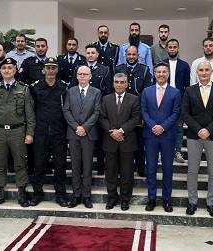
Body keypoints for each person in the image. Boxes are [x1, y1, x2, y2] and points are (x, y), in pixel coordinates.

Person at [0, 58, 35, 208]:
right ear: (0, 71)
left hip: (18, 131)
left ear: (15, 70)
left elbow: (30, 115)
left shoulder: (24, 89)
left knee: (20, 163)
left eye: (10, 68)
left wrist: (29, 133)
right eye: (4, 68)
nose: (6, 70)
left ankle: (22, 193)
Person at [181, 61, 213, 217]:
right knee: (192, 171)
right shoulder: (189, 90)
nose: (204, 73)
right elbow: (185, 114)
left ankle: (211, 203)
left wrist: (208, 130)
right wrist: (199, 129)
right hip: (194, 136)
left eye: (207, 70)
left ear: (211, 71)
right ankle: (192, 202)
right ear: (197, 72)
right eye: (201, 70)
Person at [29, 57, 69, 208]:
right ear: (44, 69)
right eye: (48, 67)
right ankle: (37, 193)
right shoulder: (36, 87)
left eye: (53, 68)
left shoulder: (63, 87)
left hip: (59, 132)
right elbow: (31, 110)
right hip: (41, 132)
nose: (51, 70)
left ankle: (60, 194)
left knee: (60, 165)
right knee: (39, 165)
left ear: (57, 70)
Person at [141, 62, 181, 213]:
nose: (161, 74)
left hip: (168, 136)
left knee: (167, 169)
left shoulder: (175, 92)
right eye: (158, 72)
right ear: (154, 74)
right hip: (150, 135)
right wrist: (153, 126)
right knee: (150, 168)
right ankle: (151, 198)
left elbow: (176, 113)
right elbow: (143, 111)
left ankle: (166, 199)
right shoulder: (146, 91)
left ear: (168, 74)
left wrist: (162, 127)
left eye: (164, 72)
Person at [99, 73, 141, 211]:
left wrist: (121, 131)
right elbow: (102, 118)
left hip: (127, 141)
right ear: (113, 83)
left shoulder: (134, 99)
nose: (119, 84)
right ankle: (112, 198)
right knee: (110, 172)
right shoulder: (106, 99)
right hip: (110, 141)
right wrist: (113, 132)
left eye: (122, 82)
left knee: (127, 173)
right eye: (116, 82)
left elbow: (135, 119)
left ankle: (125, 199)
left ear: (127, 84)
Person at [63, 66, 102, 209]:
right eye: (80, 74)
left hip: (88, 134)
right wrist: (76, 127)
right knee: (75, 166)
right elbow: (66, 110)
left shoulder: (96, 92)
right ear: (77, 76)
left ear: (90, 76)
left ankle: (86, 196)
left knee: (87, 166)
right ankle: (76, 195)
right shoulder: (70, 91)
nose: (82, 76)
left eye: (85, 74)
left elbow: (97, 112)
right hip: (73, 134)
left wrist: (84, 127)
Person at [71, 44, 113, 175]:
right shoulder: (79, 69)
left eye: (93, 52)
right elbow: (73, 87)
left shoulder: (104, 69)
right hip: (81, 112)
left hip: (98, 111)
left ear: (97, 55)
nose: (90, 55)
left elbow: (107, 90)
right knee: (82, 143)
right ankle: (83, 168)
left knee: (99, 140)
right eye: (88, 52)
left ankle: (100, 168)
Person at [114, 45, 152, 177]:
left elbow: (146, 92)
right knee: (121, 142)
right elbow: (114, 90)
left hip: (138, 113)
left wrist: (136, 106)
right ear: (125, 55)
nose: (131, 57)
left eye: (133, 54)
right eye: (128, 54)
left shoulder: (145, 70)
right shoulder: (118, 69)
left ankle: (141, 169)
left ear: (138, 56)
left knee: (139, 143)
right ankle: (120, 169)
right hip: (120, 112)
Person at [162, 38, 190, 163]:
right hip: (163, 100)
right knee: (163, 126)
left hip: (179, 100)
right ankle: (162, 152)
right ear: (166, 48)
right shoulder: (161, 64)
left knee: (178, 127)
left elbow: (187, 85)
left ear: (178, 49)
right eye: (170, 47)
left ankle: (177, 152)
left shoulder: (184, 65)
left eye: (175, 47)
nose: (172, 49)